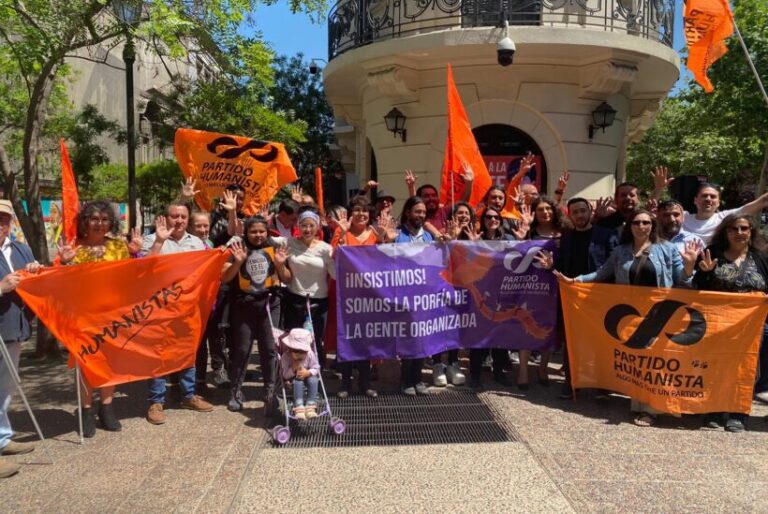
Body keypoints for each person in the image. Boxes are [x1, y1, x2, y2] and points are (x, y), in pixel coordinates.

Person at [556, 209, 699, 426]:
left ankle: (652, 410)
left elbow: (683, 281)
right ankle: (639, 406)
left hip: (661, 313)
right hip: (630, 314)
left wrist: (689, 266)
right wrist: (574, 280)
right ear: (629, 226)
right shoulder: (621, 251)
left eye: (646, 222)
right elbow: (601, 273)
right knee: (638, 361)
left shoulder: (668, 249)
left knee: (655, 362)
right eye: (636, 223)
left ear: (653, 225)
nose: (641, 227)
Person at [57, 200, 143, 436]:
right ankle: (85, 410)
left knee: (110, 363)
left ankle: (106, 408)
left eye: (105, 220)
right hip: (82, 317)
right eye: (94, 219)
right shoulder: (73, 247)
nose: (99, 224)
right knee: (85, 364)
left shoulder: (118, 247)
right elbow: (60, 283)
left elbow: (133, 278)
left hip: (113, 315)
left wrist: (136, 253)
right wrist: (65, 262)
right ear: (85, 221)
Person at [693, 214, 768, 432]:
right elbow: (698, 288)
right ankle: (714, 410)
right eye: (733, 228)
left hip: (752, 327)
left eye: (744, 228)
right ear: (725, 232)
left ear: (751, 232)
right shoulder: (711, 254)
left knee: (746, 370)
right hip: (718, 324)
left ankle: (738, 413)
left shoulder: (761, 259)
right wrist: (704, 273)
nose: (739, 233)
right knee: (716, 367)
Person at [142, 203, 214, 424]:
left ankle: (188, 396)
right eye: (175, 216)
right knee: (158, 354)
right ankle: (156, 402)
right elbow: (144, 268)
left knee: (186, 352)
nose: (179, 220)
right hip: (159, 306)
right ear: (166, 218)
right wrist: (159, 242)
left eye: (183, 216)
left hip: (187, 307)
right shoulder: (151, 240)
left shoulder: (197, 242)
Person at [555, 198, 619, 398]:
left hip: (598, 296)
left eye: (583, 211)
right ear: (570, 215)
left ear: (590, 212)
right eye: (575, 212)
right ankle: (571, 381)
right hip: (572, 296)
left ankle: (602, 384)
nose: (580, 215)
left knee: (600, 341)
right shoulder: (566, 237)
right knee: (572, 341)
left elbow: (612, 266)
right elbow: (562, 265)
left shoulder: (606, 235)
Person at [332, 197, 395, 398]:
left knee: (367, 339)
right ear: (351, 213)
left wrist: (384, 239)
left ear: (370, 215)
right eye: (357, 210)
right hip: (347, 296)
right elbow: (334, 255)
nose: (361, 214)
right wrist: (341, 234)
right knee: (348, 338)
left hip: (371, 297)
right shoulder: (342, 232)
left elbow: (387, 259)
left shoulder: (376, 234)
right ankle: (345, 383)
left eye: (365, 211)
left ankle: (365, 383)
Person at [220, 219, 280, 412]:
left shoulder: (274, 246)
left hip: (269, 304)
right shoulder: (237, 247)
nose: (258, 235)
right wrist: (237, 262)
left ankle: (271, 391)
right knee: (242, 349)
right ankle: (236, 391)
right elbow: (225, 277)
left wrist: (280, 266)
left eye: (262, 231)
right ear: (246, 232)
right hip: (243, 304)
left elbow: (286, 276)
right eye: (253, 232)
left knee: (270, 349)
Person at [0, 200, 41, 478]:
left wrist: (38, 271)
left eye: (4, 219)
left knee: (6, 388)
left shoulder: (19, 248)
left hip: (14, 330)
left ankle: (2, 438)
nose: (1, 225)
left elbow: (34, 279)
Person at [274, 208, 336, 367]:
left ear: (317, 227)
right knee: (294, 341)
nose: (307, 230)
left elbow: (335, 275)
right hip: (295, 299)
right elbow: (262, 239)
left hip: (319, 302)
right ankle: (294, 375)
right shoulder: (288, 242)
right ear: (298, 226)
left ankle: (313, 375)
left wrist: (337, 252)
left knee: (315, 340)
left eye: (311, 225)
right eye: (303, 225)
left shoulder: (326, 248)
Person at [517, 196, 566, 390]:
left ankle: (543, 368)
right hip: (530, 287)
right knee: (526, 326)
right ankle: (522, 370)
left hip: (555, 287)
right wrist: (521, 240)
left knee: (550, 329)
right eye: (541, 210)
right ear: (535, 213)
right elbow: (516, 258)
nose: (545, 212)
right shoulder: (529, 232)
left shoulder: (565, 233)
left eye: (548, 209)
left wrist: (554, 265)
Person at [651, 167, 768, 244]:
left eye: (713, 196)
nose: (708, 199)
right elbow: (649, 213)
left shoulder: (725, 218)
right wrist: (658, 189)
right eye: (704, 196)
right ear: (695, 200)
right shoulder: (682, 217)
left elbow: (762, 202)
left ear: (718, 202)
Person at [467, 206, 515, 388]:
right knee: (478, 335)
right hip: (481, 293)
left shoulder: (509, 239)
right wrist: (471, 246)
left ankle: (499, 372)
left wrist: (520, 239)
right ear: (483, 220)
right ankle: (476, 374)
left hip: (503, 294)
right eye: (488, 217)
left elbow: (522, 256)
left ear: (501, 221)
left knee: (500, 335)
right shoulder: (476, 238)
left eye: (496, 217)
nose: (492, 220)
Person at [280, 328, 320, 420]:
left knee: (313, 379)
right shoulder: (285, 357)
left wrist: (308, 372)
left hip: (308, 377)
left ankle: (310, 405)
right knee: (298, 381)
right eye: (296, 351)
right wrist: (293, 369)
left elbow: (316, 367)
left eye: (303, 352)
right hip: (293, 380)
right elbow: (285, 375)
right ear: (290, 349)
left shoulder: (310, 354)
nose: (300, 355)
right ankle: (299, 406)